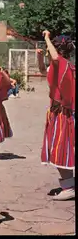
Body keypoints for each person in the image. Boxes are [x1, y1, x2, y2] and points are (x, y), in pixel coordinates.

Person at [37, 31, 75, 201]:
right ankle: (69, 183)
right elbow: (43, 70)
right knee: (61, 149)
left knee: (62, 150)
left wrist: (46, 38)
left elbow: (54, 58)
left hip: (62, 114)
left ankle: (68, 187)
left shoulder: (63, 64)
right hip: (56, 113)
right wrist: (39, 57)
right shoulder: (60, 66)